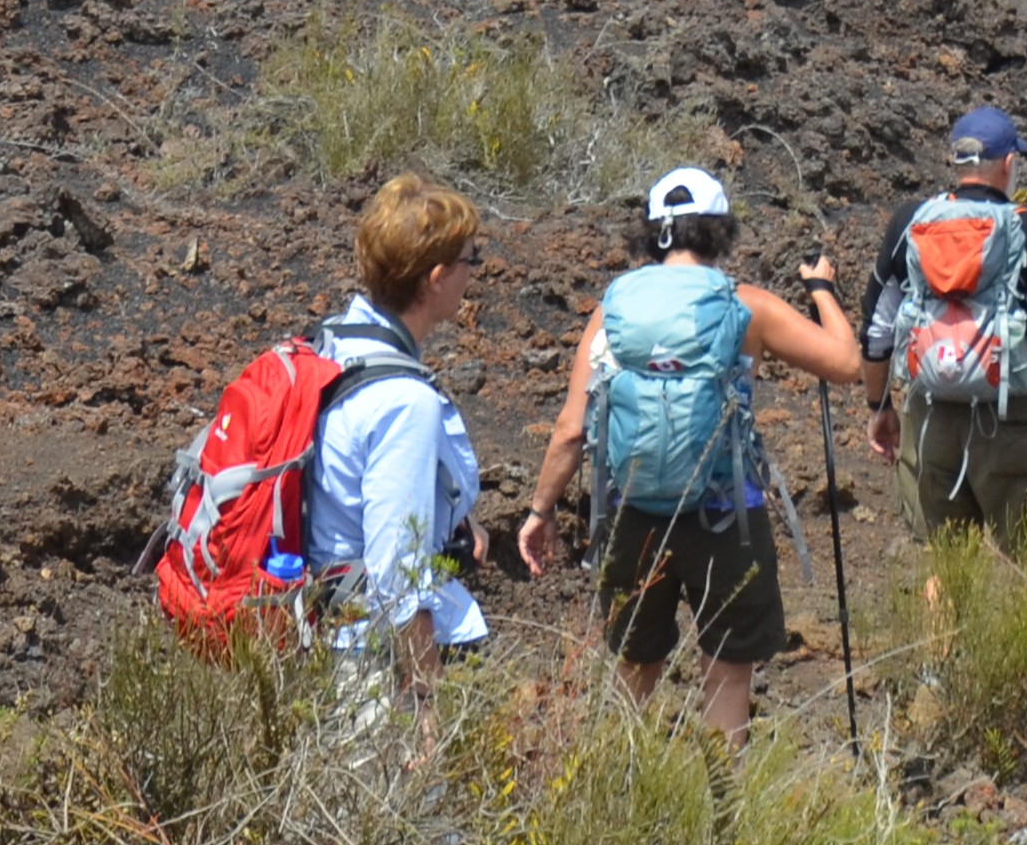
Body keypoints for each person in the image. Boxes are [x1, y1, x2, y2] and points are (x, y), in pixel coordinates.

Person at [514, 167, 866, 734]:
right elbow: (847, 364)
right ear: (718, 229)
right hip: (727, 515)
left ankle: (621, 794)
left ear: (652, 231)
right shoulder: (745, 305)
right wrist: (821, 290)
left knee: (632, 674)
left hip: (633, 515)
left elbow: (571, 428)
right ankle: (721, 813)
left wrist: (539, 511)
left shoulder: (615, 308)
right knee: (726, 678)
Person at [859, 106, 1027, 545]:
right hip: (1010, 422)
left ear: (955, 163)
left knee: (945, 565)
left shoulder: (911, 222)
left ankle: (945, 620)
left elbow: (876, 332)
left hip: (930, 417)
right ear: (1009, 164)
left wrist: (878, 407)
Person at [302, 175, 497, 693]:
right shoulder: (405, 402)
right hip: (368, 659)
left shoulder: (331, 343)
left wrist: (453, 515)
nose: (473, 276)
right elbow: (398, 574)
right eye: (469, 262)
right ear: (436, 278)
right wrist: (426, 697)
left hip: (314, 626)